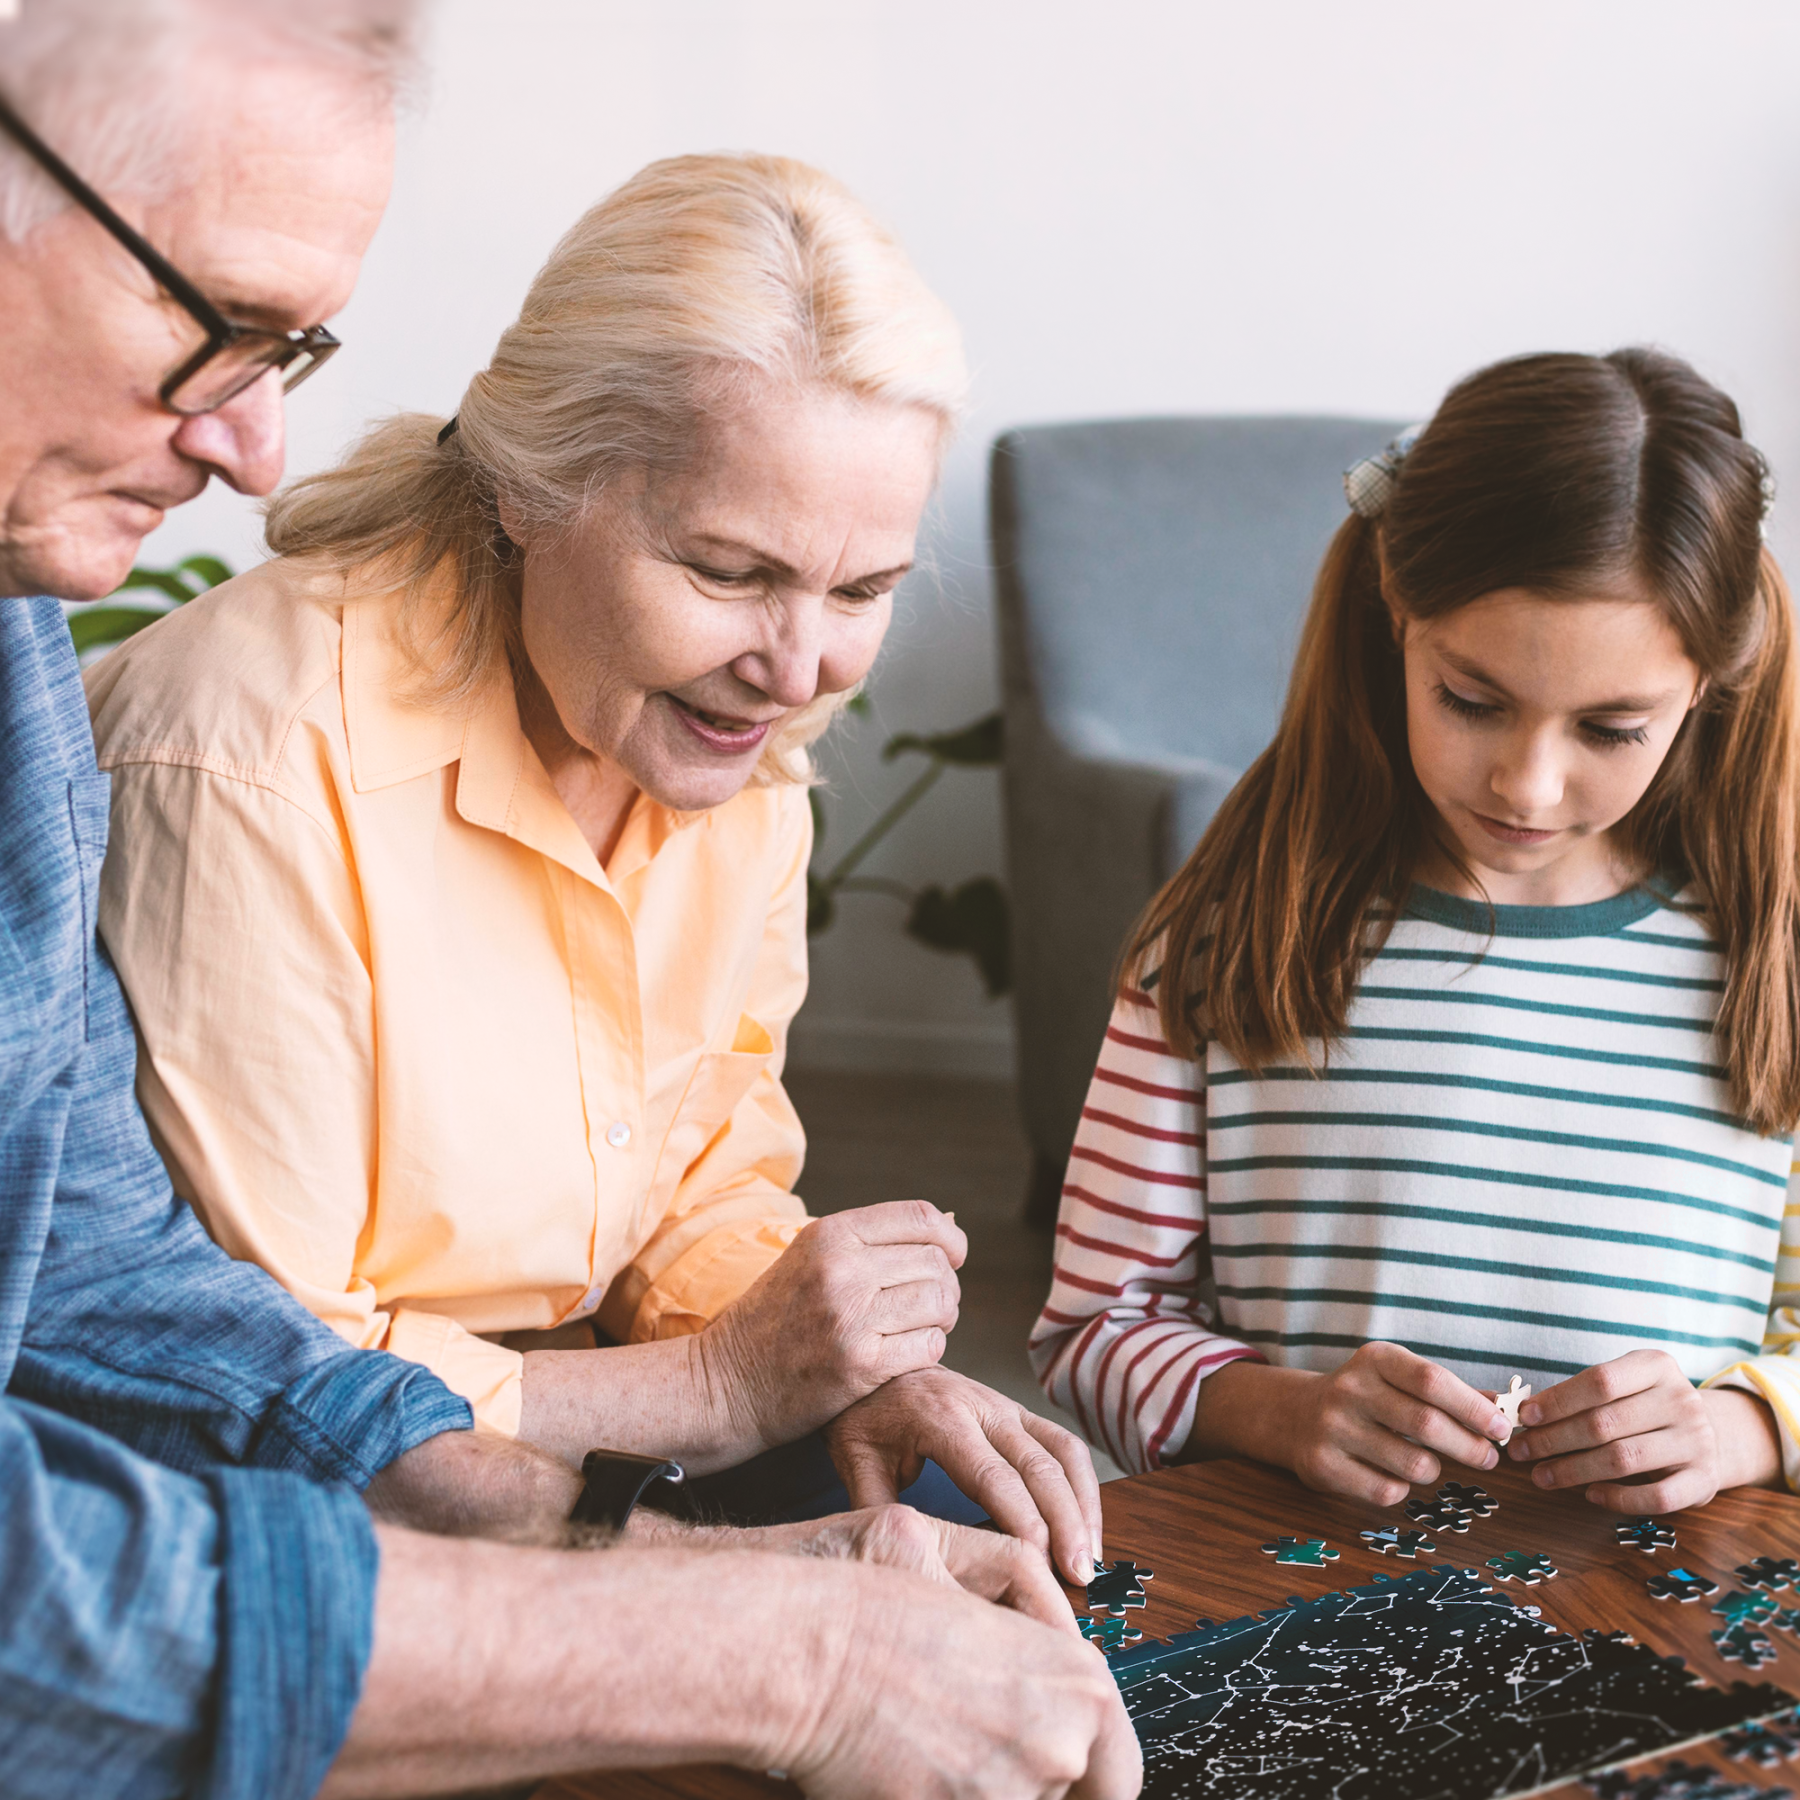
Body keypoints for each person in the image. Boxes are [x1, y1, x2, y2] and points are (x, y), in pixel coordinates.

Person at [0, 4, 1140, 1795]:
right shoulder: (245, 749)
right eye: (729, 570)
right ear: (535, 491)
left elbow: (119, 1289)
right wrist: (747, 1575)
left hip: (489, 1440)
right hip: (339, 1510)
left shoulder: (730, 746)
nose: (797, 668)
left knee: (1003, 1546)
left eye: (860, 593)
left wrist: (812, 1405)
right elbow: (187, 1422)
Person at [1032, 347, 1800, 1518]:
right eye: (1472, 701)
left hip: (1658, 1611)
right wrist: (1280, 1413)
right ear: (1396, 615)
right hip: (1297, 1597)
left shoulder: (1772, 968)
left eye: (1611, 728)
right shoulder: (1223, 945)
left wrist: (1742, 1427)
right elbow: (1093, 1330)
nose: (1529, 785)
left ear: (1707, 684)